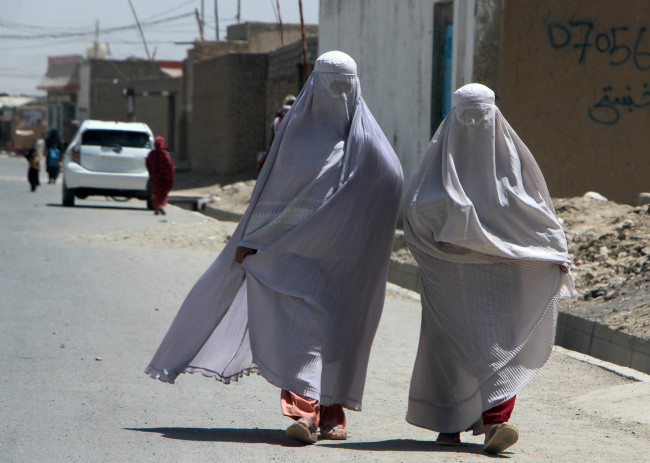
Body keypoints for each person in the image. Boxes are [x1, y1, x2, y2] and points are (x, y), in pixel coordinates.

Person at [145, 51, 403, 445]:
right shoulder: (296, 140)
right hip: (293, 260)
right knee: (304, 333)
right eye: (331, 85)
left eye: (343, 85)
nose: (337, 94)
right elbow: (273, 195)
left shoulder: (369, 147)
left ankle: (330, 412)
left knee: (336, 337)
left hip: (344, 265)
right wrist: (253, 241)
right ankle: (304, 412)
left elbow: (388, 190)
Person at [403, 83, 576, 454]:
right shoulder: (438, 169)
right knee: (448, 349)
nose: (475, 123)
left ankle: (496, 422)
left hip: (502, 278)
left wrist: (555, 253)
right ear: (453, 118)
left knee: (498, 347)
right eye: (468, 115)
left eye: (481, 116)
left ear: (494, 117)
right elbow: (415, 215)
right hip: (449, 276)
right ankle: (449, 423)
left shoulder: (514, 169)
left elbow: (538, 218)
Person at [145, 137, 175, 215]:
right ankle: (160, 206)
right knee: (162, 192)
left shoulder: (151, 154)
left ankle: (158, 207)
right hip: (164, 177)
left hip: (155, 177)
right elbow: (169, 166)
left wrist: (151, 173)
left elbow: (148, 164)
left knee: (154, 192)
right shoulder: (165, 154)